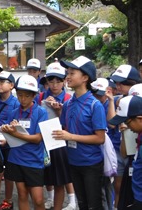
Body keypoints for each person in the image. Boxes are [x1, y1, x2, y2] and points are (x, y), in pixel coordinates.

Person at [53, 56, 107, 210]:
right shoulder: (68, 103)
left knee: (94, 205)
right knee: (82, 203)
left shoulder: (95, 105)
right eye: (67, 73)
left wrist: (70, 137)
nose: (67, 77)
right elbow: (64, 129)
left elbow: (100, 138)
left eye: (72, 73)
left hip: (91, 164)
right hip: (73, 161)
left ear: (85, 78)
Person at [0, 74, 48, 210]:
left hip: (34, 160)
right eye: (20, 95)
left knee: (38, 199)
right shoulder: (13, 112)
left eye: (27, 96)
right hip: (16, 158)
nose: (22, 99)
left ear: (34, 96)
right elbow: (12, 139)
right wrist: (6, 134)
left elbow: (38, 138)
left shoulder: (41, 112)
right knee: (22, 194)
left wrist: (15, 133)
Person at [38, 62, 76, 210]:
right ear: (47, 82)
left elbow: (70, 125)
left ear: (64, 81)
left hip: (60, 142)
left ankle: (60, 205)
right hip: (43, 141)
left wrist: (60, 111)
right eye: (51, 81)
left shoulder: (68, 98)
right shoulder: (41, 96)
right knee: (47, 175)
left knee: (60, 178)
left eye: (58, 81)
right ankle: (50, 198)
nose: (54, 85)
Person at [109, 64, 140, 210]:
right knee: (121, 189)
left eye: (122, 83)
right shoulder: (118, 100)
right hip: (125, 154)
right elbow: (112, 124)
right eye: (117, 83)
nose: (118, 86)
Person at [0, 71, 20, 210]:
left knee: (9, 174)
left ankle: (8, 200)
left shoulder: (16, 103)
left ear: (12, 85)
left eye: (3, 82)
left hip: (11, 143)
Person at [91, 77, 119, 210]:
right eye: (95, 94)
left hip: (109, 151)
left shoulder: (109, 103)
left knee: (108, 185)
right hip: (95, 150)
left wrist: (111, 99)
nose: (98, 98)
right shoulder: (91, 104)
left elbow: (112, 123)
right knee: (99, 186)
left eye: (100, 95)